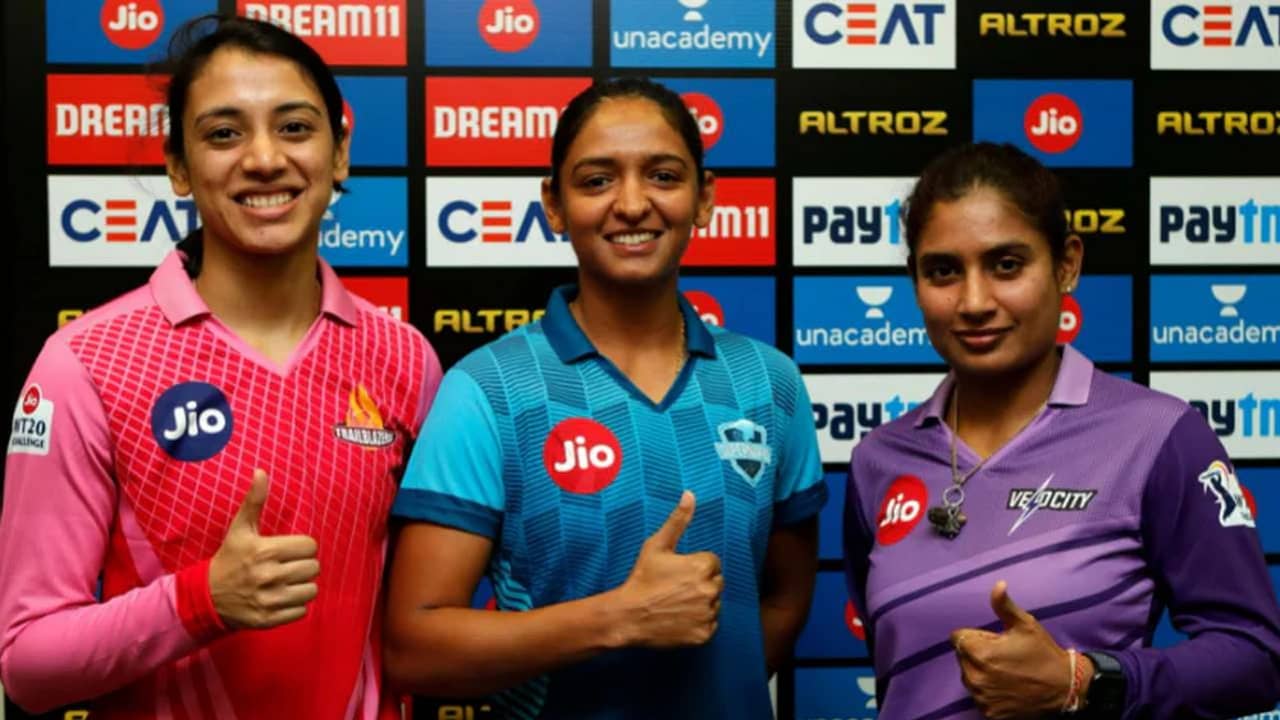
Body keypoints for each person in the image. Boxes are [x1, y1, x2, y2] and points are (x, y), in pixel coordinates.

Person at [0, 15, 440, 718]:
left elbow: (427, 617)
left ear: (340, 154)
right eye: (224, 133)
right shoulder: (85, 363)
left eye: (294, 127)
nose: (264, 159)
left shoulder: (404, 358)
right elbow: (27, 665)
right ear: (178, 165)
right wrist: (199, 601)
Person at [383, 77, 825, 718]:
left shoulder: (768, 383)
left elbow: (785, 601)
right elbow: (414, 649)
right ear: (554, 204)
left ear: (704, 198)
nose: (633, 204)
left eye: (663, 176)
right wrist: (621, 618)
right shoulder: (488, 390)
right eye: (596, 181)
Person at [842, 142, 1280, 719]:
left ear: (1067, 264)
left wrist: (1085, 681)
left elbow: (1255, 657)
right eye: (943, 271)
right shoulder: (879, 459)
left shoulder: (1157, 436)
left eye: (1006, 265)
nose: (973, 301)